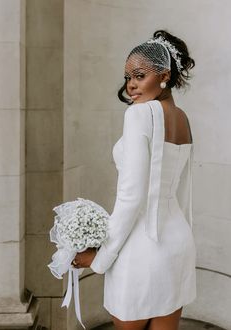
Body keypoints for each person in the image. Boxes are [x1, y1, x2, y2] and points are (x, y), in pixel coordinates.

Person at [71, 29, 196, 330]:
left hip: (140, 251)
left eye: (139, 75)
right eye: (128, 77)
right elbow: (183, 193)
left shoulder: (139, 115)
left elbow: (131, 198)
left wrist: (100, 259)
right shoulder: (182, 118)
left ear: (164, 75)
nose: (130, 86)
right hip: (177, 245)